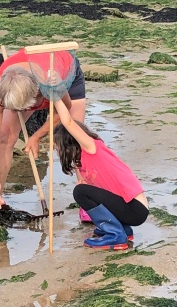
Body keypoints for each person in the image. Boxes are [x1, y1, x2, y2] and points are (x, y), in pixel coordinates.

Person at [0, 48, 86, 211]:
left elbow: (65, 111)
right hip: (27, 79)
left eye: (22, 109)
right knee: (5, 136)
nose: (17, 113)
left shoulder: (50, 83)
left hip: (66, 74)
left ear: (36, 96)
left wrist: (37, 136)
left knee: (75, 140)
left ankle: (88, 202)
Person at [52, 97, 149, 250]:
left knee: (80, 192)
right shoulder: (84, 159)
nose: (56, 150)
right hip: (133, 209)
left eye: (57, 146)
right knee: (83, 188)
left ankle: (115, 236)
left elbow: (68, 122)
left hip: (135, 209)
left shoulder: (91, 147)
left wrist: (55, 96)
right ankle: (122, 229)